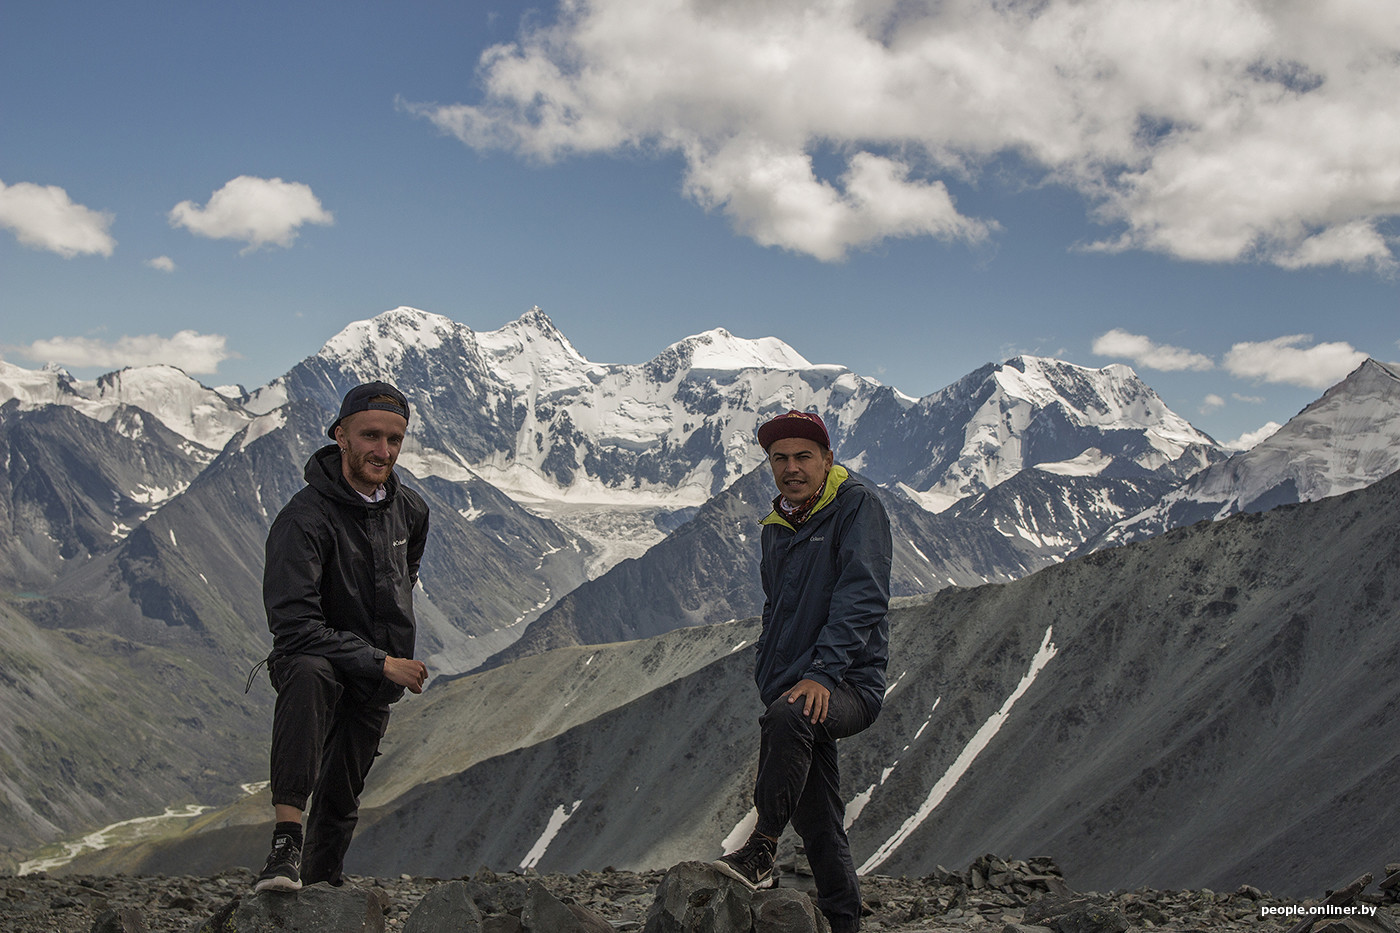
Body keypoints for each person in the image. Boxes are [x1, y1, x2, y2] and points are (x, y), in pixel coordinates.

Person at [712, 410, 892, 933]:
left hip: (849, 686)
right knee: (819, 822)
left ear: (827, 459)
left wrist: (821, 674)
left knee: (790, 717)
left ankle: (762, 847)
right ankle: (843, 923)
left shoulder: (856, 506)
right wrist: (771, 671)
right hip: (795, 685)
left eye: (803, 456)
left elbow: (863, 597)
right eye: (780, 458)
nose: (792, 467)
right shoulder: (777, 526)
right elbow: (778, 607)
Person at [254, 381, 431, 892]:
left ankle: (317, 893)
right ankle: (285, 844)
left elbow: (407, 568)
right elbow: (295, 628)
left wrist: (389, 635)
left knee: (341, 798)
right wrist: (383, 660)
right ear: (340, 436)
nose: (384, 450)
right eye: (371, 436)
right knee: (310, 673)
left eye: (395, 439)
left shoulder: (411, 511)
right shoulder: (303, 520)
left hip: (373, 679)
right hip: (316, 660)